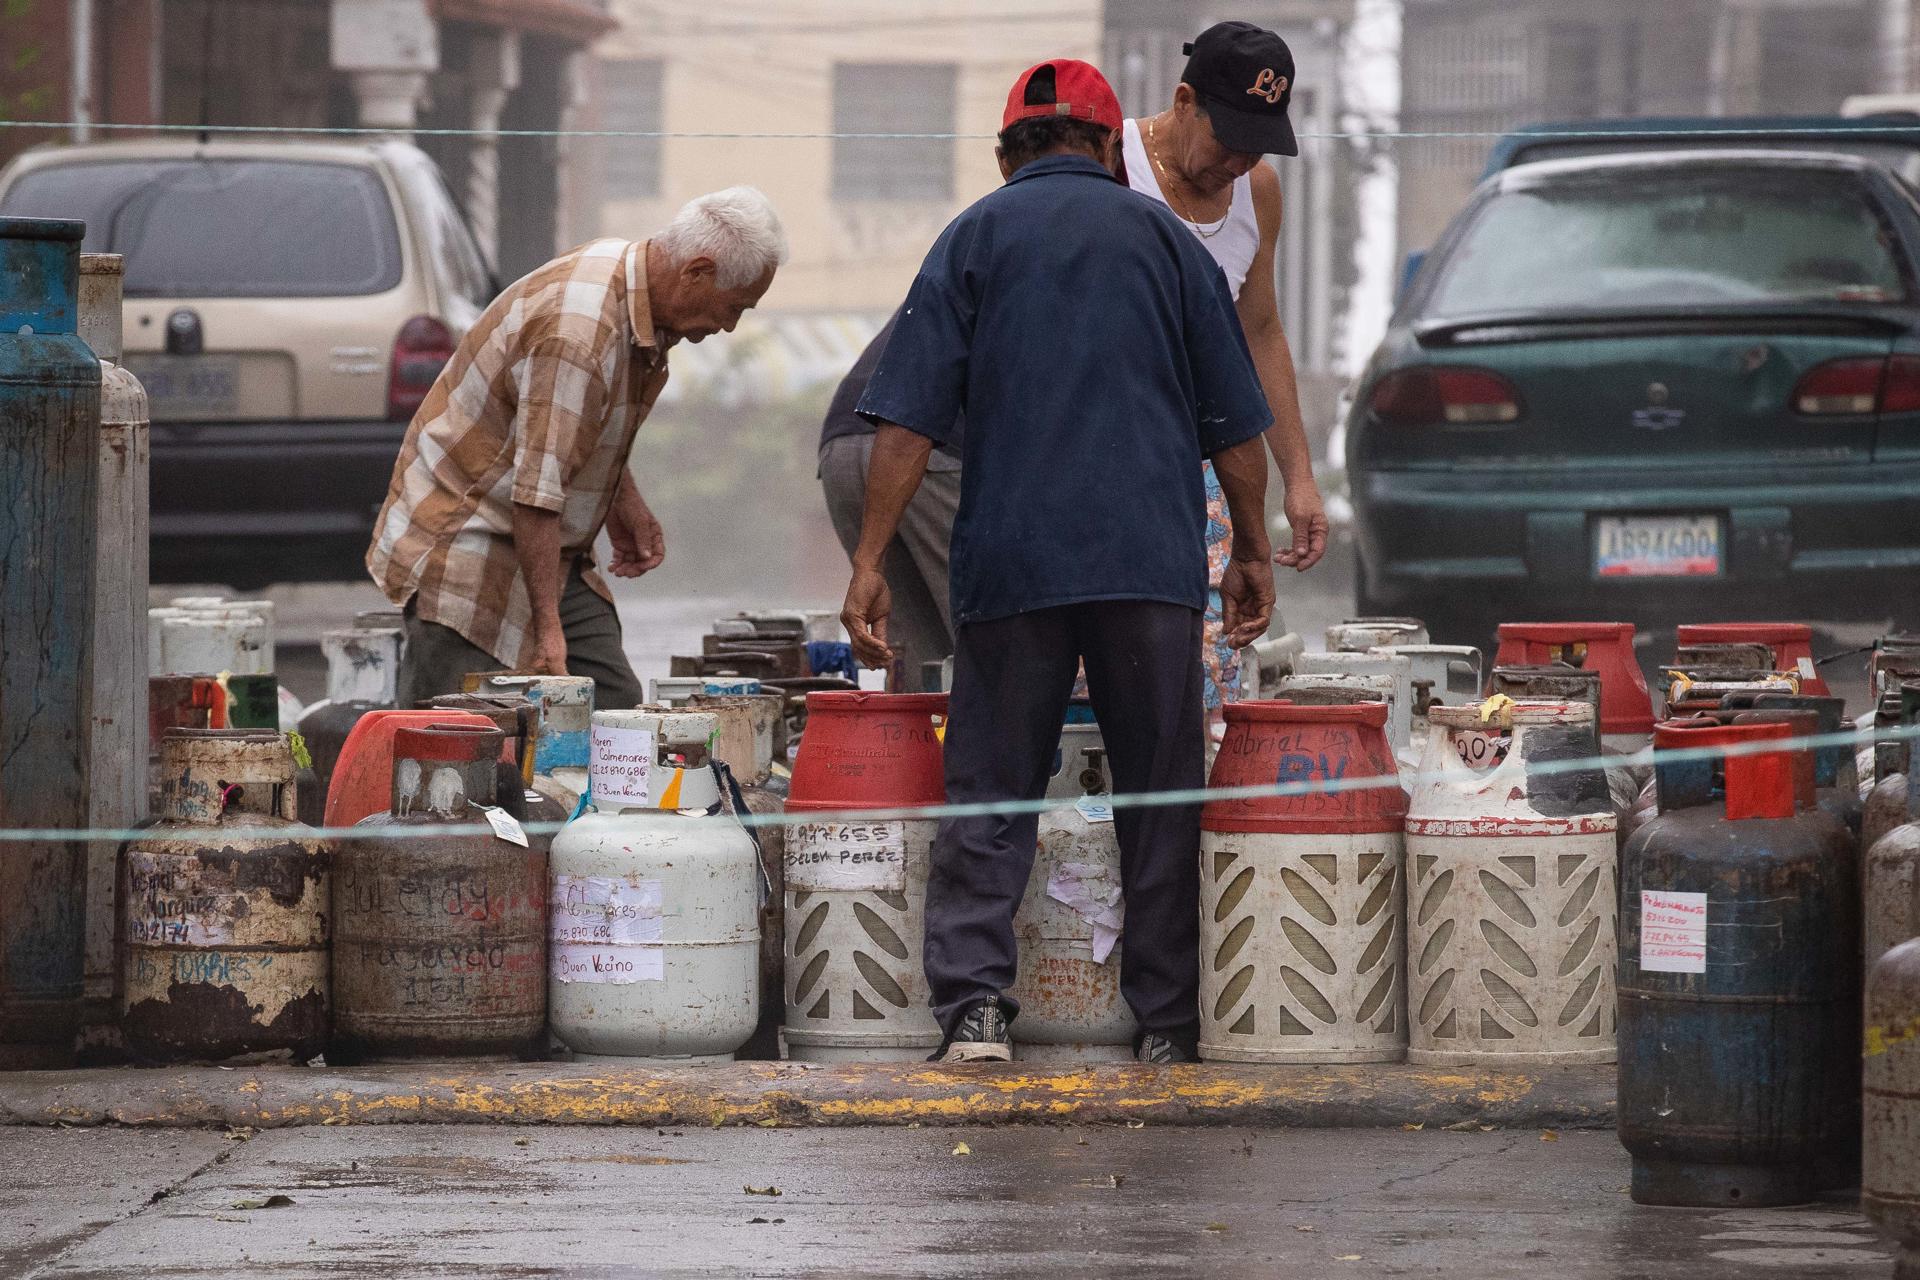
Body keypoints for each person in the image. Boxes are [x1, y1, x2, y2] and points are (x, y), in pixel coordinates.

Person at [840, 59, 1277, 1065]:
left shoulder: (973, 239)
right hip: (1148, 566)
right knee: (1157, 790)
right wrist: (1251, 550)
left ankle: (978, 1011)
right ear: (1109, 145)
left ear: (1005, 156)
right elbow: (1235, 430)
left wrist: (869, 559)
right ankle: (1166, 1020)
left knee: (993, 783)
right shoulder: (1169, 244)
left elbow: (905, 422)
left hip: (1010, 564)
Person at [367, 188, 788, 708]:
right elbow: (536, 492)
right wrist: (548, 635)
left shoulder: (634, 280)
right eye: (732, 308)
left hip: (543, 546)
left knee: (611, 706)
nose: (728, 325)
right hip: (469, 540)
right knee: (459, 744)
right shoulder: (578, 332)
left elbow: (575, 425)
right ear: (697, 272)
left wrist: (621, 498)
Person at [1123, 21, 1329, 716]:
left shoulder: (1257, 193)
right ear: (1185, 102)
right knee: (1107, 660)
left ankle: (1190, 812)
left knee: (1204, 662)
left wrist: (1298, 476)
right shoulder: (1112, 163)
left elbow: (1261, 331)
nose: (1238, 163)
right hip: (1107, 454)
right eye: (1228, 141)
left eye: (1257, 147)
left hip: (1206, 462)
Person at [818, 308, 961, 688]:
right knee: (1004, 636)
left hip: (841, 447)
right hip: (928, 446)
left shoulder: (955, 261)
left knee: (915, 660)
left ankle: (918, 745)